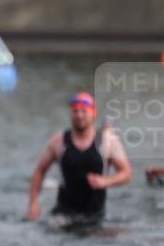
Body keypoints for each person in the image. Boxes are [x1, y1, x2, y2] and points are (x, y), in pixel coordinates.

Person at [28, 92, 131, 225]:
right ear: (71, 114)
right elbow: (39, 171)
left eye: (84, 111)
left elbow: (127, 173)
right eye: (75, 111)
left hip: (95, 217)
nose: (79, 115)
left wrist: (105, 181)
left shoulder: (107, 141)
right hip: (62, 217)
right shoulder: (58, 141)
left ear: (93, 113)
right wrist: (33, 204)